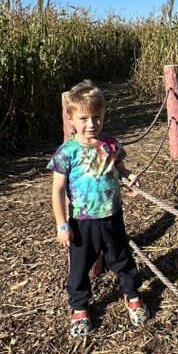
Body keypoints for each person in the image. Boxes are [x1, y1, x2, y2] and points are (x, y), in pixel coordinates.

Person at [48, 79, 150, 337]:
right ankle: (79, 306)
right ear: (71, 119)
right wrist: (62, 225)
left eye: (97, 117)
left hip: (112, 215)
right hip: (82, 222)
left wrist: (129, 178)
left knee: (122, 259)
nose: (91, 124)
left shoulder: (110, 146)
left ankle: (132, 295)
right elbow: (58, 190)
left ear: (104, 115)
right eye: (83, 118)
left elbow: (121, 169)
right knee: (79, 267)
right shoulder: (67, 152)